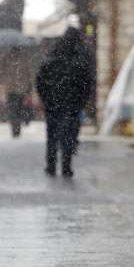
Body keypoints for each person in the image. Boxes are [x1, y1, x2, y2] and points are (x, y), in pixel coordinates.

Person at [35, 27, 93, 177]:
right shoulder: (80, 59)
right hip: (72, 105)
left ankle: (51, 165)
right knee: (68, 137)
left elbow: (40, 80)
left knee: (52, 136)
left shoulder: (53, 57)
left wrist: (45, 98)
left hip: (53, 104)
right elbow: (86, 83)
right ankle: (66, 167)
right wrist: (81, 101)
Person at [2, 47, 33, 138]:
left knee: (13, 110)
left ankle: (15, 127)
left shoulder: (7, 61)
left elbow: (1, 72)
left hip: (11, 90)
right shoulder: (24, 61)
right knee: (18, 110)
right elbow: (29, 76)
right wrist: (29, 90)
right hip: (21, 90)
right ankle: (17, 127)